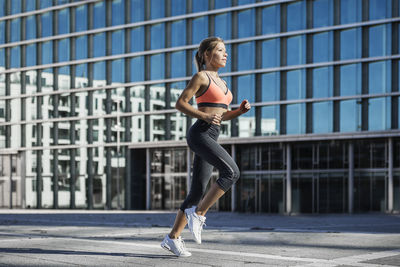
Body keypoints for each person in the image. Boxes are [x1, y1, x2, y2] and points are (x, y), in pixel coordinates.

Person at [161, 37, 251, 257]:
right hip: (200, 134)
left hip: (211, 134)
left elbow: (220, 116)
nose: (225, 54)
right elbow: (180, 103)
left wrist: (238, 111)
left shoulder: (224, 83)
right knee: (232, 172)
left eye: (226, 51)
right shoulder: (201, 77)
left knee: (196, 191)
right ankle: (199, 214)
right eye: (220, 50)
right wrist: (203, 115)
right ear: (207, 55)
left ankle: (172, 238)